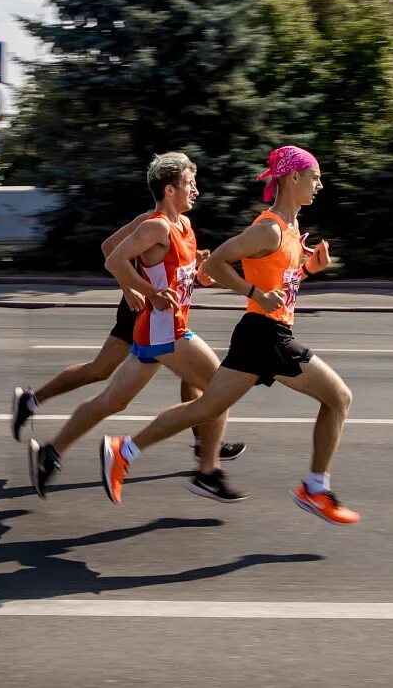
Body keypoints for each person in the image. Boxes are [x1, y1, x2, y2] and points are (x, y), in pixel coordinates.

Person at [99, 146, 360, 525]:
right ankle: (315, 489)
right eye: (315, 176)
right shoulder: (269, 229)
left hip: (260, 334)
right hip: (267, 335)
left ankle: (125, 451)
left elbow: (277, 285)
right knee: (339, 398)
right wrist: (253, 294)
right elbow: (219, 262)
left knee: (206, 408)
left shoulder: (289, 228)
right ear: (293, 178)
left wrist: (308, 270)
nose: (320, 184)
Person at [26, 152, 241, 502]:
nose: (196, 190)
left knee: (112, 400)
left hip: (159, 330)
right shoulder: (155, 226)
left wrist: (201, 274)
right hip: (165, 330)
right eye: (189, 183)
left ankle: (50, 452)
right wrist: (150, 292)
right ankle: (206, 471)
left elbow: (182, 279)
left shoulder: (184, 227)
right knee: (221, 390)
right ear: (170, 190)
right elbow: (114, 259)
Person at [10, 209, 245, 464]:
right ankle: (32, 401)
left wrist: (197, 261)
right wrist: (129, 287)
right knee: (99, 372)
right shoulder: (150, 220)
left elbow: (172, 261)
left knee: (192, 377)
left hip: (165, 310)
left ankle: (205, 443)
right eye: (189, 182)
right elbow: (109, 247)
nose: (194, 189)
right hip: (140, 308)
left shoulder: (180, 223)